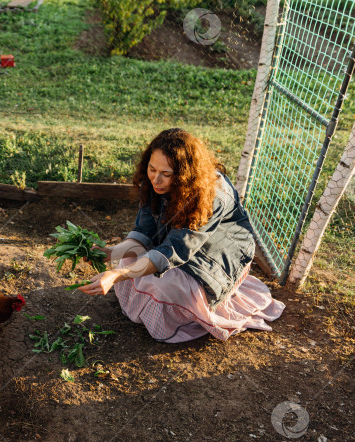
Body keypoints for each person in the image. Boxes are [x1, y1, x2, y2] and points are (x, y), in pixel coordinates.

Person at [78, 128, 284, 342]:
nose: (156, 179)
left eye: (166, 174)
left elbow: (171, 252)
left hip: (216, 260)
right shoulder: (153, 183)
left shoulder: (212, 196)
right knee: (127, 259)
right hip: (180, 246)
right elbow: (144, 232)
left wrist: (116, 275)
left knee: (160, 284)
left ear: (185, 175)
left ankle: (187, 313)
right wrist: (110, 253)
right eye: (151, 169)